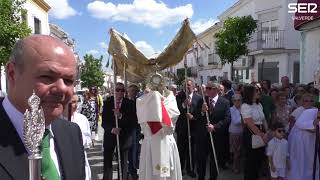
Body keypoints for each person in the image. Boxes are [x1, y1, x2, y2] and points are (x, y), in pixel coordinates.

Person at [0, 35, 86, 179]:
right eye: (47, 77)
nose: (61, 88)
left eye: (68, 80)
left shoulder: (71, 133)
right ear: (12, 73)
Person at [137, 73, 182, 180]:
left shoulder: (170, 98)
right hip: (150, 143)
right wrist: (152, 101)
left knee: (166, 173)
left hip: (166, 140)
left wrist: (157, 104)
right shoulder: (143, 101)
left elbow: (173, 116)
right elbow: (143, 121)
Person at [102, 82, 137, 180]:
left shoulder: (130, 104)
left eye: (122, 90)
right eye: (117, 90)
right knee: (108, 162)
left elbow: (133, 122)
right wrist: (112, 129)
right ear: (113, 91)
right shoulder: (108, 102)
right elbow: (104, 122)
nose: (120, 92)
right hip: (110, 136)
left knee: (122, 162)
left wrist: (121, 116)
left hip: (124, 138)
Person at [197, 81, 231, 180]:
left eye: (209, 88)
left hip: (216, 137)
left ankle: (213, 178)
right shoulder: (201, 101)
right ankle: (201, 177)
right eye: (206, 88)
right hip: (203, 136)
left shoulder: (225, 102)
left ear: (215, 90)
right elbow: (195, 116)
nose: (206, 90)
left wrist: (215, 126)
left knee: (214, 160)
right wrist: (202, 111)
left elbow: (227, 118)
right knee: (201, 160)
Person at [175, 79, 202, 177]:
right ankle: (180, 169)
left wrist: (193, 117)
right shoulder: (179, 97)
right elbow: (176, 110)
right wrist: (183, 105)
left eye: (189, 85)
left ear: (193, 86)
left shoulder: (199, 98)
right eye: (185, 85)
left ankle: (190, 169)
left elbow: (200, 112)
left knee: (192, 150)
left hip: (193, 128)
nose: (187, 87)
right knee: (181, 149)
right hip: (182, 128)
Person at [241, 84, 268, 180]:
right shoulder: (245, 106)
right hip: (251, 134)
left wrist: (266, 132)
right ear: (250, 93)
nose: (258, 92)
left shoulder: (258, 104)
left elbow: (263, 119)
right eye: (256, 90)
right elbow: (250, 124)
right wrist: (261, 135)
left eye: (258, 90)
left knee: (258, 161)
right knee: (251, 162)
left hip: (261, 131)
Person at [63, 94, 92, 180]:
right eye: (72, 102)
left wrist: (80, 137)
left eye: (77, 102)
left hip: (79, 158)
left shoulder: (82, 119)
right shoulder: (58, 119)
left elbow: (88, 141)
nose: (76, 105)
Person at [287, 108, 319, 180]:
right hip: (299, 140)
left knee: (310, 161)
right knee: (299, 161)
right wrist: (313, 124)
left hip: (311, 141)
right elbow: (298, 123)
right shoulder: (309, 112)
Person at [127, 84, 140, 180]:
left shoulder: (139, 102)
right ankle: (129, 169)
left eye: (135, 91)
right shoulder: (125, 102)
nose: (133, 92)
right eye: (131, 90)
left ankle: (133, 170)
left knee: (135, 150)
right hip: (127, 130)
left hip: (136, 129)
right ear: (128, 91)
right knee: (129, 151)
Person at [229, 94, 243, 174]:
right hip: (234, 132)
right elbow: (235, 122)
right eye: (235, 100)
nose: (237, 102)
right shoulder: (231, 109)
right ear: (232, 101)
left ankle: (239, 166)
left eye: (239, 100)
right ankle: (235, 167)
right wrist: (244, 118)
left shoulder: (243, 108)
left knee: (241, 152)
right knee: (236, 152)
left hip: (242, 132)